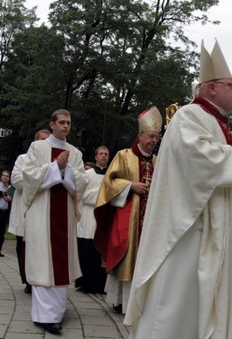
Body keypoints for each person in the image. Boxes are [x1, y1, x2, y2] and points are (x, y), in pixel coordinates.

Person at [124, 40, 232, 339]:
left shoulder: (224, 127)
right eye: (231, 85)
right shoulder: (189, 116)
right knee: (182, 299)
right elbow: (193, 159)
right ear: (211, 87)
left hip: (220, 227)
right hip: (193, 229)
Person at [21, 109, 88, 334]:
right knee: (42, 261)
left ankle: (55, 315)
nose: (66, 126)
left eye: (69, 122)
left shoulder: (74, 153)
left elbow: (82, 181)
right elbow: (28, 176)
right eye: (61, 122)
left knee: (60, 261)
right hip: (42, 215)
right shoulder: (37, 148)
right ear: (52, 124)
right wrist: (54, 167)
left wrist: (65, 168)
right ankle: (43, 316)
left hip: (64, 216)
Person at [94, 107, 162, 313]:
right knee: (127, 257)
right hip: (128, 217)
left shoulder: (159, 161)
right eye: (150, 136)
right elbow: (109, 182)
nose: (153, 141)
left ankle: (142, 302)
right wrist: (130, 186)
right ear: (140, 135)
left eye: (156, 138)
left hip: (150, 220)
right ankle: (122, 301)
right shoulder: (123, 156)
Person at [9, 129, 51, 294]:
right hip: (25, 211)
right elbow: (16, 180)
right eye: (42, 140)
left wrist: (35, 179)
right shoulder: (23, 158)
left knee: (42, 247)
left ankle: (40, 279)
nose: (44, 143)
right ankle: (27, 280)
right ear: (34, 142)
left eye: (48, 140)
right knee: (24, 247)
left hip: (44, 211)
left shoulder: (53, 162)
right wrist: (40, 181)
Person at [75, 146, 109, 294]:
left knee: (101, 254)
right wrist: (103, 194)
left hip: (104, 218)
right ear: (95, 157)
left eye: (106, 154)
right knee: (87, 253)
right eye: (101, 153)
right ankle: (86, 283)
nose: (103, 156)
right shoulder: (87, 174)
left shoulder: (111, 175)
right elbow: (81, 196)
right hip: (88, 216)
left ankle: (100, 285)